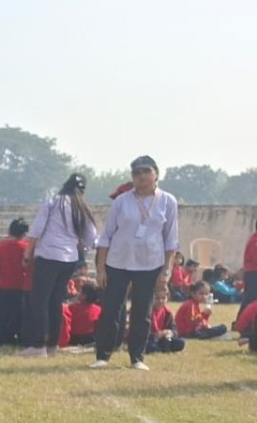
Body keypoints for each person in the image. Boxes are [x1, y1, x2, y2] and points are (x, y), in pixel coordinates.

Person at [93, 157, 179, 370]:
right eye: (136, 173)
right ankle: (103, 355)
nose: (141, 176)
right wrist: (101, 269)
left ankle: (137, 358)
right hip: (118, 261)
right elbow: (106, 236)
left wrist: (166, 270)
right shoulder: (122, 201)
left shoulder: (168, 201)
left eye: (146, 171)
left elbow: (171, 239)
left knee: (142, 312)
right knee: (111, 309)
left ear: (156, 173)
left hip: (149, 264)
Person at [20, 174, 99, 358]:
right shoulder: (82, 207)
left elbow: (37, 228)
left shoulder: (53, 201)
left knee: (40, 301)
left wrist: (28, 252)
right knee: (55, 301)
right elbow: (90, 237)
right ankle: (52, 345)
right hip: (69, 259)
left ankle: (38, 345)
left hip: (48, 255)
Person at [0, 219, 32, 346]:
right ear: (24, 233)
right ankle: (14, 335)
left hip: (3, 285)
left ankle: (3, 337)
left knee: (1, 313)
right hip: (21, 286)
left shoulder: (0, 246)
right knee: (18, 313)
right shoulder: (26, 247)